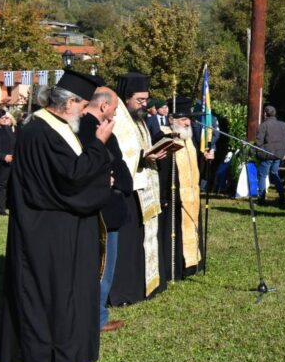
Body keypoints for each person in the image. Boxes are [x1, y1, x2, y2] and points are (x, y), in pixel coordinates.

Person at [0, 69, 114, 362]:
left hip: (57, 224)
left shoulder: (51, 127)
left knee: (64, 290)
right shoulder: (42, 132)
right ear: (70, 101)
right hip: (47, 228)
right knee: (48, 292)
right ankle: (49, 354)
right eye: (83, 105)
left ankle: (68, 348)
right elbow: (71, 179)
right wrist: (99, 146)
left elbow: (70, 173)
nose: (85, 112)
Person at [107, 72, 169, 307]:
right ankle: (124, 291)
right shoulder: (119, 119)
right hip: (127, 191)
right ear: (126, 98)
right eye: (140, 100)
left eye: (146, 100)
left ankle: (146, 284)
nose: (144, 105)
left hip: (145, 188)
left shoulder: (139, 119)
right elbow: (120, 154)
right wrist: (144, 157)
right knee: (126, 244)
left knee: (142, 239)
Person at [78, 87, 133, 334]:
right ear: (103, 107)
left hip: (106, 203)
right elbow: (98, 161)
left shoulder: (85, 125)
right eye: (114, 109)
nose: (115, 114)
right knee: (103, 267)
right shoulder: (91, 129)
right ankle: (97, 318)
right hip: (104, 207)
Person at [160, 97, 214, 280]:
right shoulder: (164, 136)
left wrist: (206, 159)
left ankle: (192, 265)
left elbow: (197, 167)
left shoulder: (188, 139)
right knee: (175, 234)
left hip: (192, 196)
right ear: (171, 120)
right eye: (183, 119)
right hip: (174, 198)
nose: (187, 122)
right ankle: (176, 268)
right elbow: (163, 172)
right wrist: (164, 197)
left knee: (192, 228)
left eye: (188, 119)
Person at [255, 105, 285, 207]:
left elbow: (259, 142)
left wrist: (257, 153)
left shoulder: (264, 125)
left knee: (262, 175)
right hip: (279, 155)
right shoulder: (283, 125)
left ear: (265, 114)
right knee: (275, 174)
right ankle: (281, 195)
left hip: (267, 154)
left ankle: (261, 199)